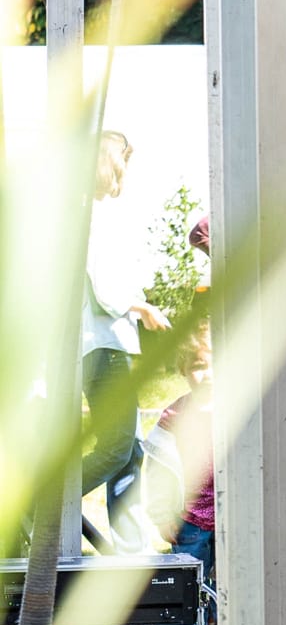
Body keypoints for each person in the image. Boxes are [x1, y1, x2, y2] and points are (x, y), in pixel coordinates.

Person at [81, 128, 167, 551]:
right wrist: (142, 306)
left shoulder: (90, 212)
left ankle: (131, 547)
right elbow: (107, 290)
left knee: (130, 450)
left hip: (110, 345)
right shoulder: (87, 214)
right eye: (123, 162)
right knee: (117, 449)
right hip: (103, 347)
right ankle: (42, 506)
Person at [153, 322, 215, 585]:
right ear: (183, 369)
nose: (209, 374)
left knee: (235, 584)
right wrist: (162, 515)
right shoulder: (174, 417)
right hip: (189, 520)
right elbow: (158, 468)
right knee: (191, 587)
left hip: (234, 516)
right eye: (199, 366)